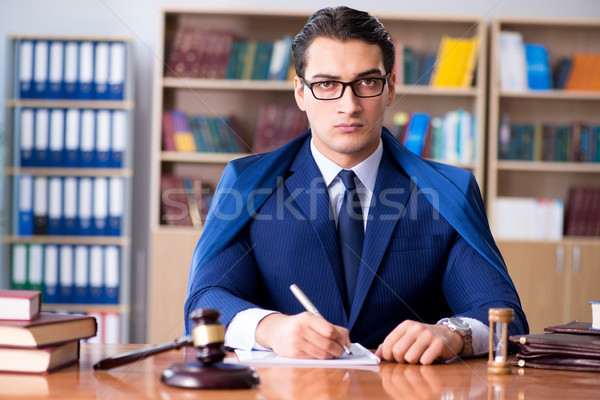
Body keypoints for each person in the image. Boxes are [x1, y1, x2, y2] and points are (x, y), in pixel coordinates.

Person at [184, 6, 528, 364]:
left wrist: (454, 332)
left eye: (367, 82)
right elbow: (206, 299)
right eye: (327, 84)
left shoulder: (449, 190)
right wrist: (270, 328)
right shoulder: (246, 184)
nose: (348, 106)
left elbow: (504, 316)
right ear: (301, 92)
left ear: (390, 88)